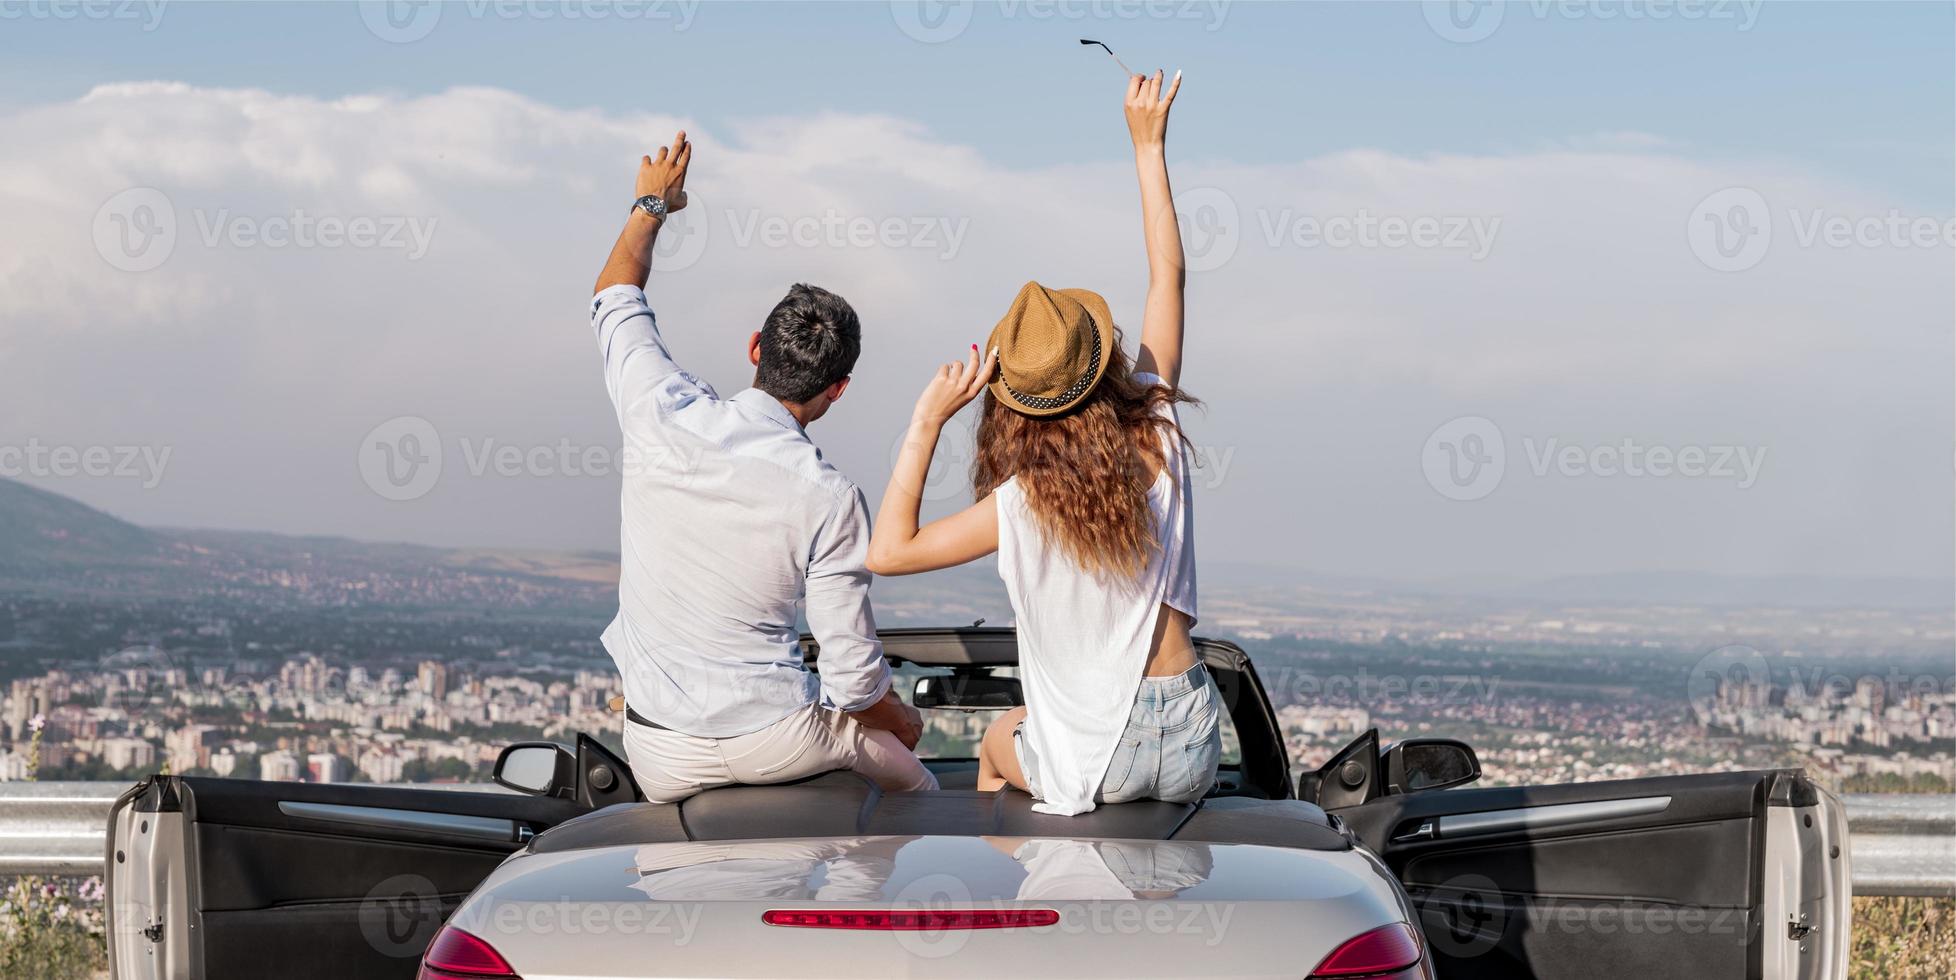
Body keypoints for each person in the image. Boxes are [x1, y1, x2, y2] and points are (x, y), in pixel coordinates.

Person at [867, 71, 1219, 816]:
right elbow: (1171, 277)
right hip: (1193, 737)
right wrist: (1148, 144)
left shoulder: (1021, 504)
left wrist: (927, 422)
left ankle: (1026, 910)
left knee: (999, 741)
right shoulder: (1159, 425)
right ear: (1101, 361)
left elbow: (887, 554)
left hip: (1104, 756)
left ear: (1014, 404)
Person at [590, 131, 937, 803]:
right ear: (838, 388)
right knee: (924, 803)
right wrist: (901, 723)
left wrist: (651, 205)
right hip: (778, 739)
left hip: (659, 753)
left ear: (755, 346)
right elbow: (853, 681)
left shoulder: (658, 410)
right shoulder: (831, 498)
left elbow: (614, 295)